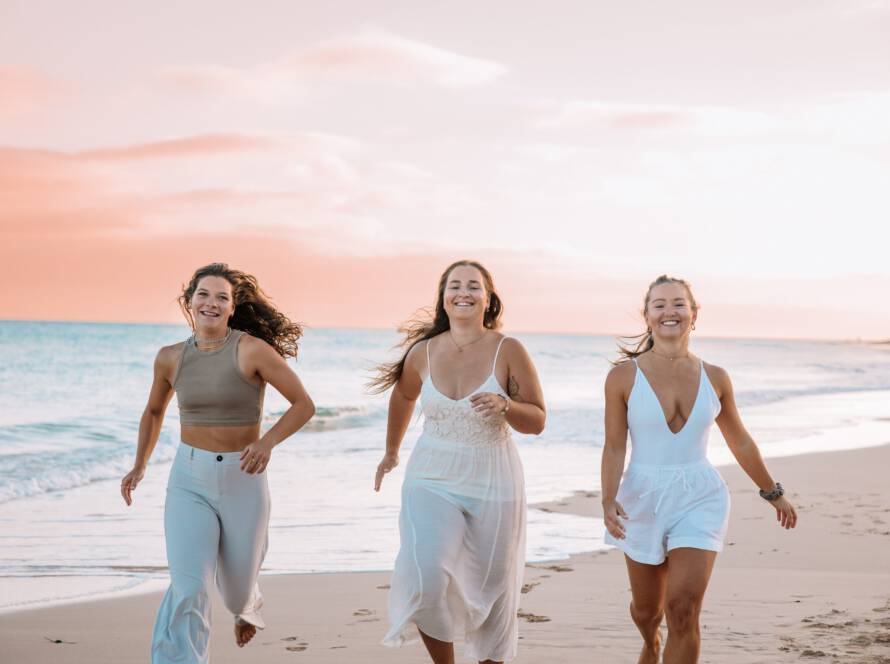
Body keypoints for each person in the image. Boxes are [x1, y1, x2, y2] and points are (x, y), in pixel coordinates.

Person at [120, 263, 315, 663]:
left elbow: (303, 405)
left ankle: (247, 607)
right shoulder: (170, 358)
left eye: (221, 297)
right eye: (203, 295)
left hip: (243, 479)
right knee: (189, 587)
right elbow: (154, 412)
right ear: (189, 301)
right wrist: (139, 466)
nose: (211, 303)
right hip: (189, 479)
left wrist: (267, 443)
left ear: (231, 307)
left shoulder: (252, 350)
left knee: (238, 590)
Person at [601, 274, 797, 664]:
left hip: (700, 496)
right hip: (640, 497)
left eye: (678, 303)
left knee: (683, 608)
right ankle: (650, 642)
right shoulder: (623, 377)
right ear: (647, 316)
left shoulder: (716, 377)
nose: (669, 311)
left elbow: (739, 439)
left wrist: (773, 492)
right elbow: (614, 445)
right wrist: (608, 499)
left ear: (693, 314)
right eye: (659, 305)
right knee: (647, 612)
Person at [371, 259, 546, 664]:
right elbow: (403, 396)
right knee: (424, 574)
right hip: (431, 475)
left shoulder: (509, 350)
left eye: (474, 286)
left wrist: (506, 406)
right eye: (455, 285)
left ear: (488, 299)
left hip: (493, 478)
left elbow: (537, 419)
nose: (463, 292)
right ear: (443, 298)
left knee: (494, 588)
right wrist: (391, 451)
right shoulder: (423, 352)